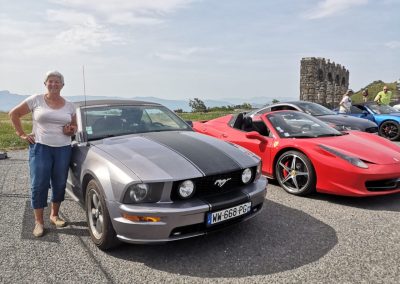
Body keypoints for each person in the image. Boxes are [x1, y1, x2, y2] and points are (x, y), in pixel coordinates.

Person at [9, 71, 76, 237]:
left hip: (63, 148)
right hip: (40, 148)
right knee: (39, 184)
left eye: (57, 82)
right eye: (50, 82)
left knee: (60, 182)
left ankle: (54, 215)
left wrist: (70, 131)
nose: (54, 84)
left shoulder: (70, 105)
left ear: (62, 85)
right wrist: (22, 134)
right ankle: (39, 222)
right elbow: (14, 114)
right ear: (45, 83)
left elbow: (74, 127)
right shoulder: (36, 99)